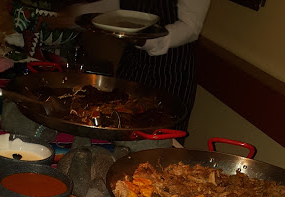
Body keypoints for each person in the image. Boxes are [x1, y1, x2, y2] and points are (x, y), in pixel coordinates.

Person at [70, 0, 211, 135]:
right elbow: (123, 6)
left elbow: (190, 27)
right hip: (133, 61)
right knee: (117, 123)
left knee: (160, 137)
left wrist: (145, 40)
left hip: (172, 69)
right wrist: (79, 13)